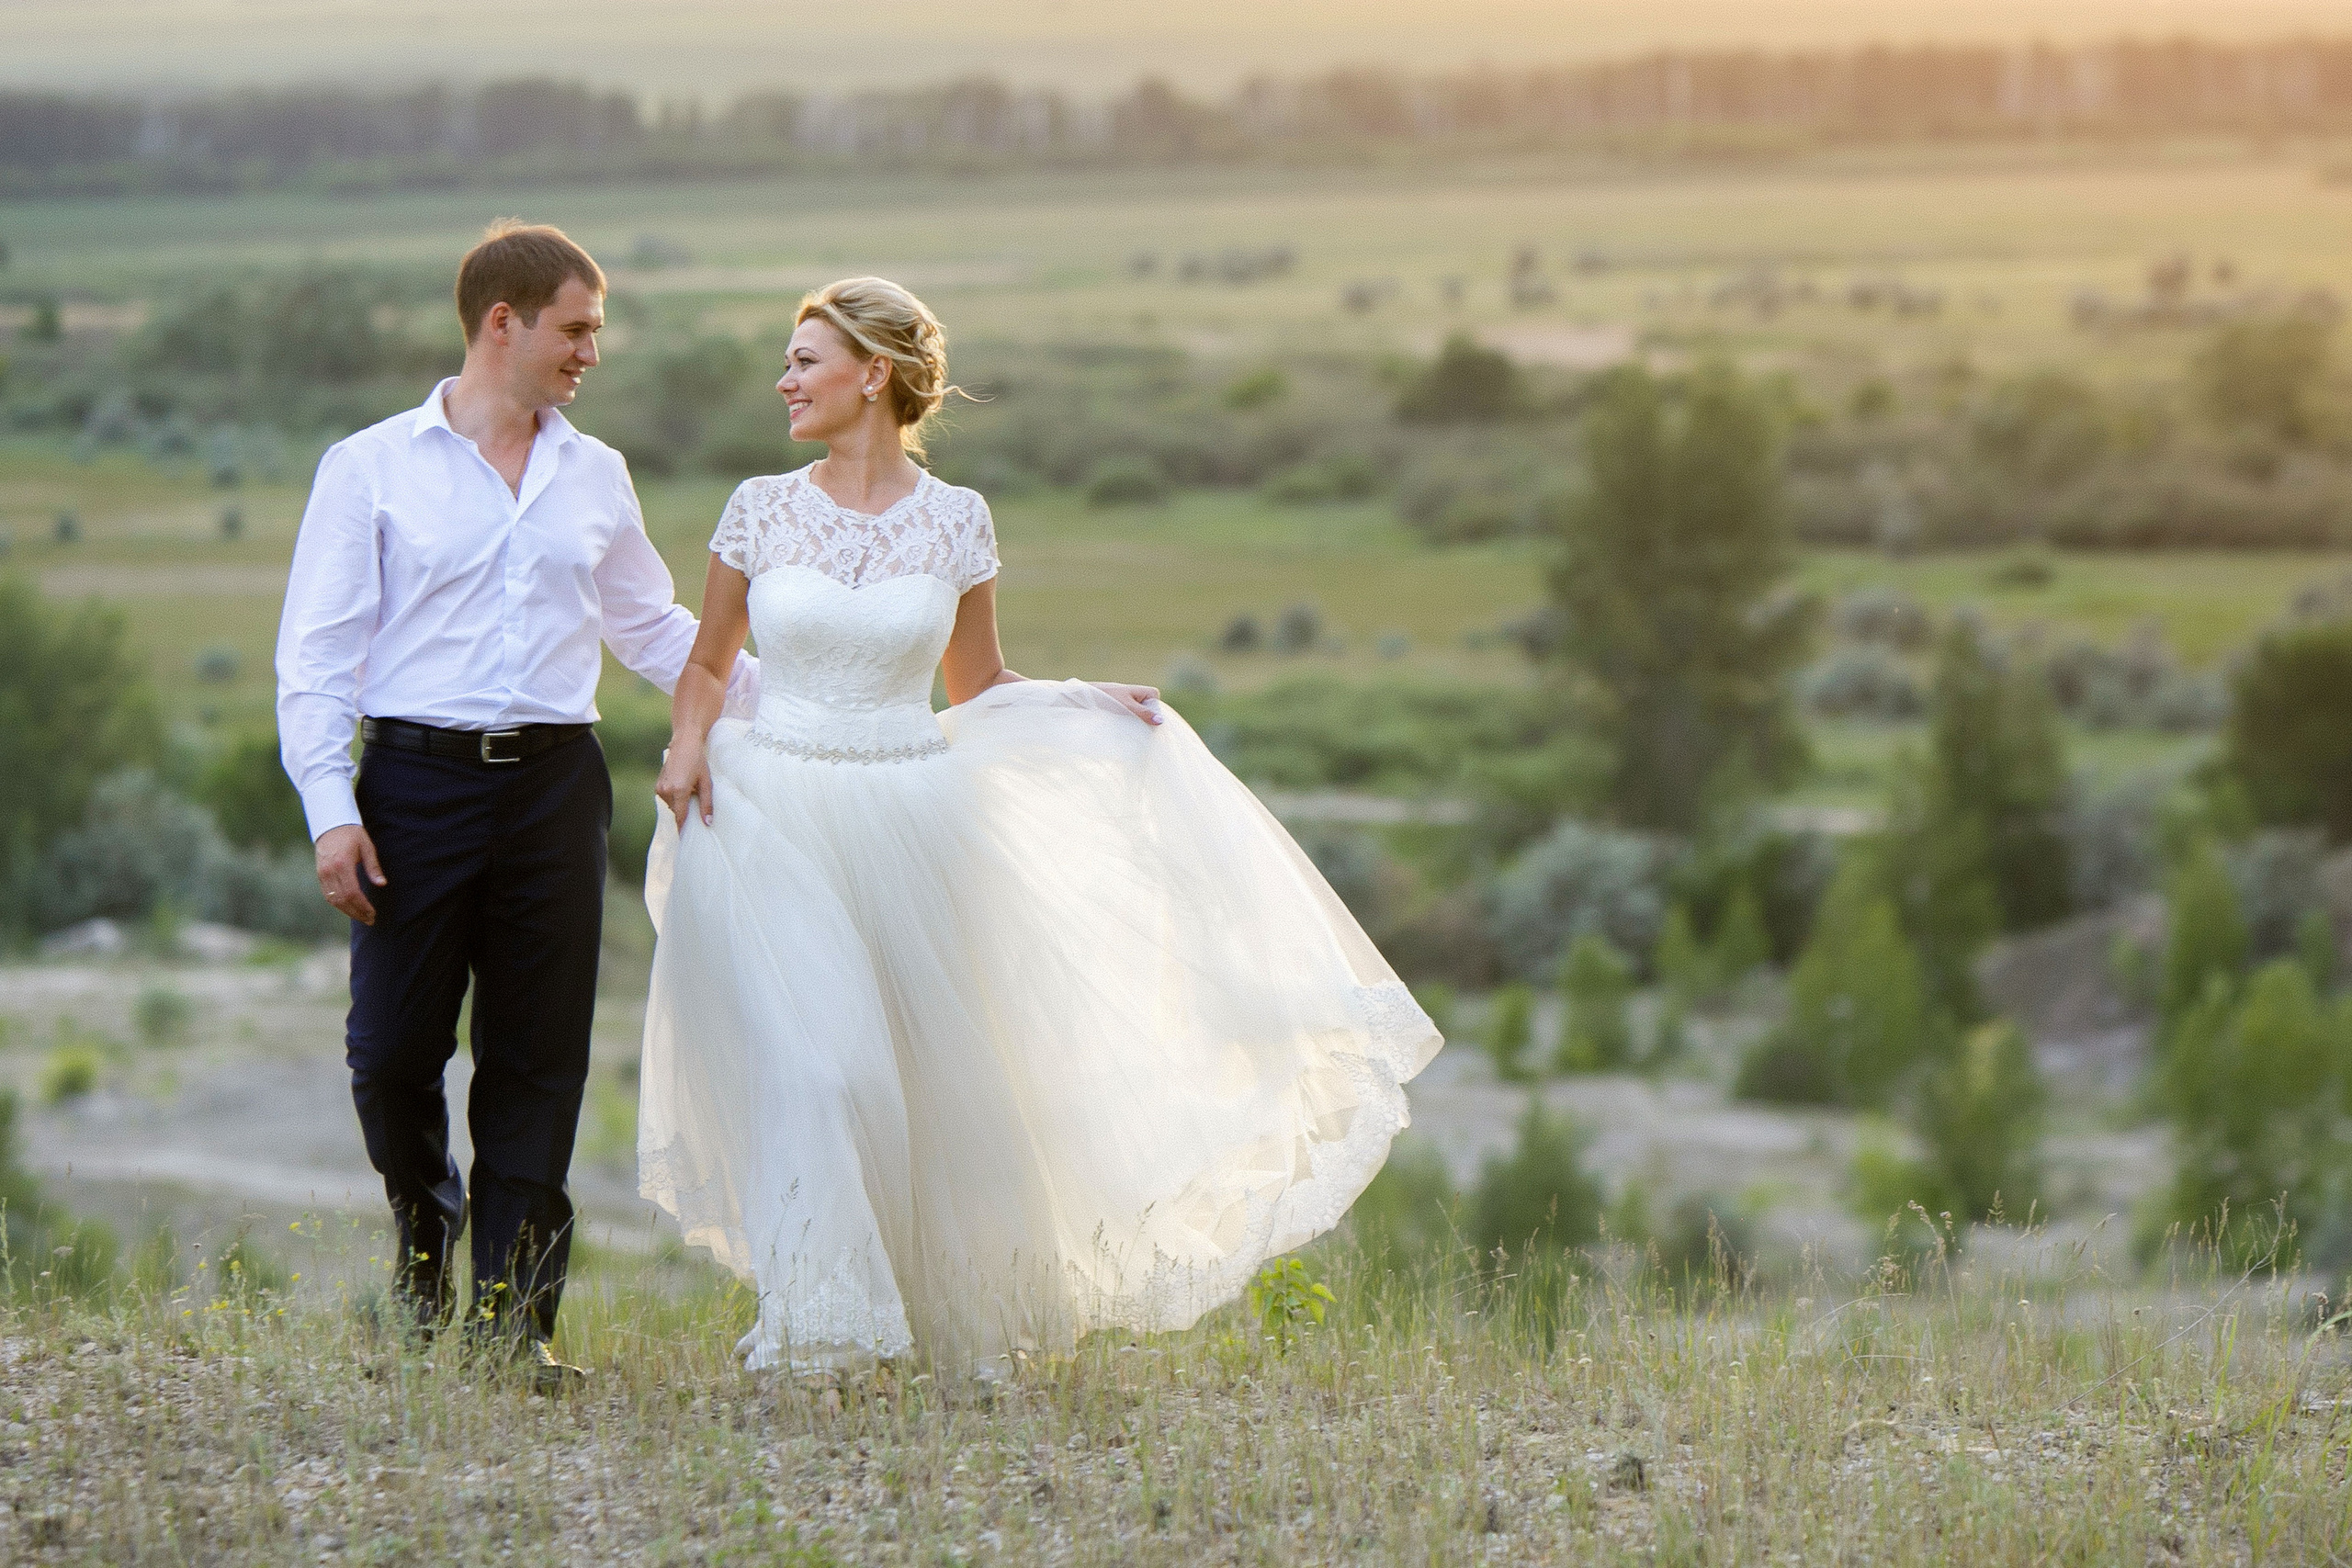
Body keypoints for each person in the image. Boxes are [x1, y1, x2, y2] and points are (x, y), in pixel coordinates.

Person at [641, 276, 1441, 1376]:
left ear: (873, 374)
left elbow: (977, 683)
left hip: (910, 808)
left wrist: (1082, 704)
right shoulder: (758, 506)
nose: (783, 380)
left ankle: (934, 1322)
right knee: (822, 1073)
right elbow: (707, 661)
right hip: (769, 807)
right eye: (786, 362)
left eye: (804, 360)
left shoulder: (956, 519)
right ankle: (814, 1331)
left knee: (927, 1081)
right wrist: (688, 742)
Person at [276, 220, 756, 1389]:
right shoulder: (369, 466)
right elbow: (316, 658)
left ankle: (512, 1327)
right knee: (391, 1055)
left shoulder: (594, 473)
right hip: (412, 789)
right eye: (577, 329)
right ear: (506, 322)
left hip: (554, 790)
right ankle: (424, 1239)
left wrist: (825, 699)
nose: (593, 352)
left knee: (539, 1060)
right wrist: (331, 807)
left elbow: (652, 630)